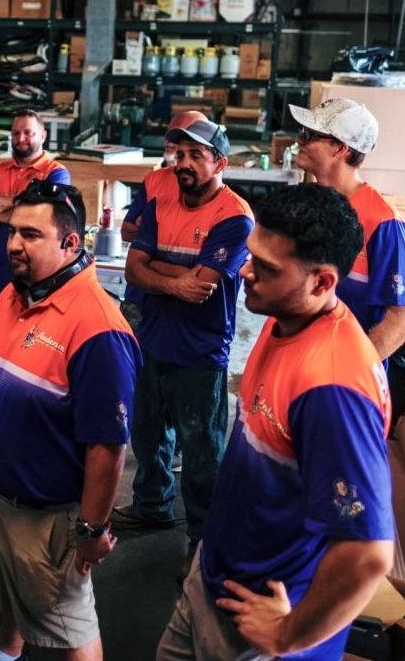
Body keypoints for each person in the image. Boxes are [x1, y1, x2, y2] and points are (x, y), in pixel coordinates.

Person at [158, 184, 394, 661]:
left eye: (266, 268)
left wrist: (287, 636)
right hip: (217, 579)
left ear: (322, 282)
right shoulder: (282, 316)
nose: (245, 272)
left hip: (261, 622)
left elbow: (369, 554)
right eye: (251, 256)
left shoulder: (332, 387)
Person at [0, 180, 140, 661]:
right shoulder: (15, 296)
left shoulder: (98, 330)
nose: (15, 243)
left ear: (70, 243)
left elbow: (107, 447)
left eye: (31, 235)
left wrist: (93, 532)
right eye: (13, 231)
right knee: (9, 583)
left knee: (69, 620)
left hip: (47, 516)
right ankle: (5, 651)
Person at [111, 120, 253, 574]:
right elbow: (133, 269)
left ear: (220, 163)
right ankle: (152, 505)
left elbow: (204, 287)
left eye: (198, 156)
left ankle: (203, 540)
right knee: (148, 435)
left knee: (201, 453)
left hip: (200, 351)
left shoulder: (235, 216)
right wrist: (177, 278)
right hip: (151, 338)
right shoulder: (163, 196)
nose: (184, 163)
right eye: (181, 154)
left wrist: (159, 271)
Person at [290, 97, 405, 428]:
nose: (299, 139)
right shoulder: (310, 208)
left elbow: (400, 321)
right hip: (303, 366)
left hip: (348, 386)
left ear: (341, 148)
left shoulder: (383, 222)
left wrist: (346, 372)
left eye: (310, 134)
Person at [0, 108, 70, 348]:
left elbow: (42, 216)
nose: (20, 139)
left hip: (35, 281)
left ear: (43, 136)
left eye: (28, 133)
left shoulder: (56, 173)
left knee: (27, 349)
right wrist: (22, 203)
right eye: (16, 133)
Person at [120, 110, 209, 332]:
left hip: (187, 309)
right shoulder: (155, 181)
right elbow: (127, 231)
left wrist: (149, 254)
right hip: (139, 299)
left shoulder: (224, 205)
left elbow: (201, 277)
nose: (172, 143)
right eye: (171, 136)